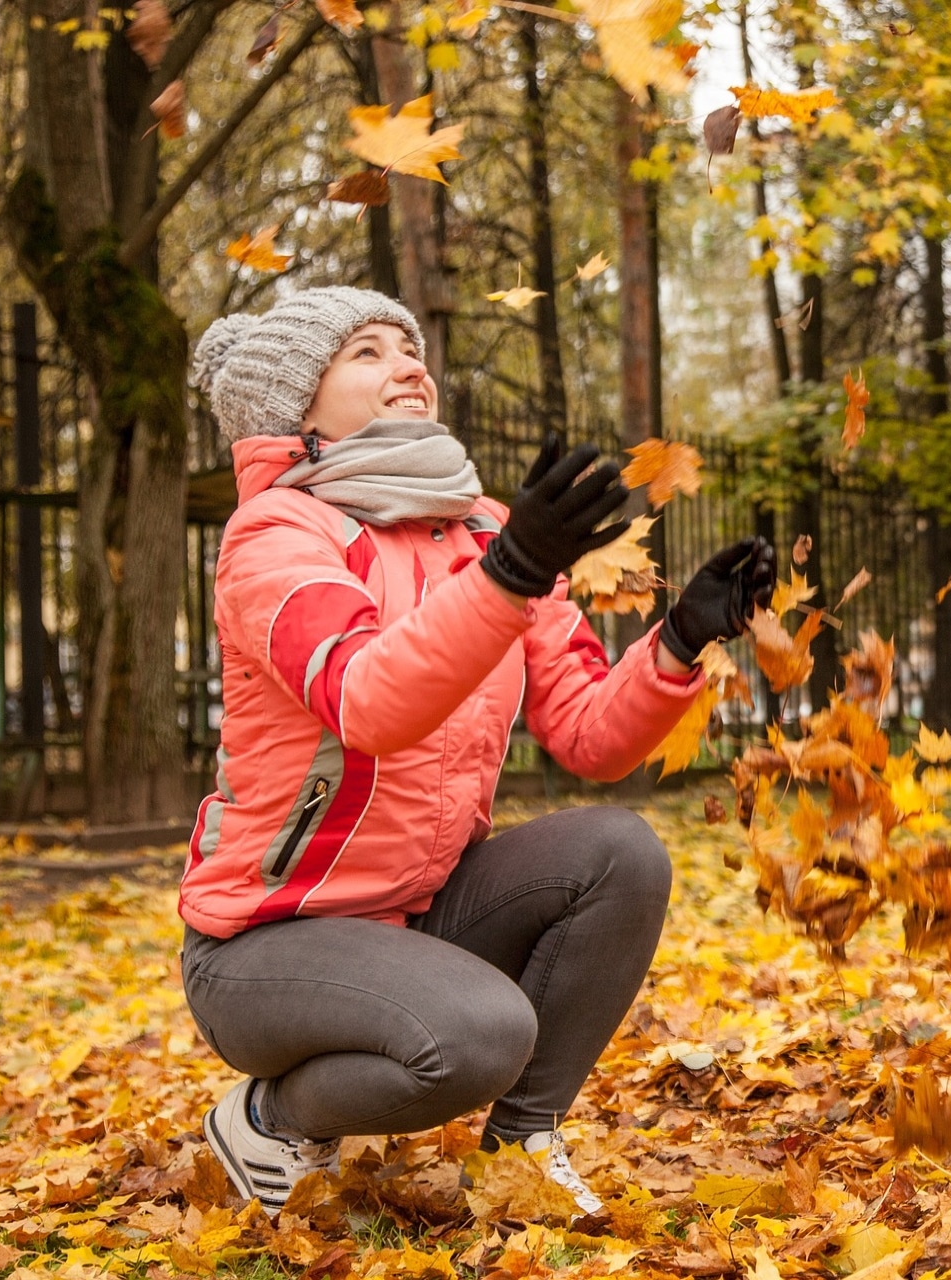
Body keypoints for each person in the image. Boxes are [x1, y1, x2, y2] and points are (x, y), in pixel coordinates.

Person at [177, 287, 776, 1214]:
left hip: (417, 915)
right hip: (266, 943)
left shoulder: (485, 529)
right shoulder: (275, 537)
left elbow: (585, 734)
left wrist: (678, 642)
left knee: (621, 852)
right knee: (479, 1037)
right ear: (296, 407)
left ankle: (521, 1148)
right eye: (366, 353)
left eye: (409, 349)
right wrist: (508, 577)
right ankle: (272, 1114)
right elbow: (367, 699)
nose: (408, 366)